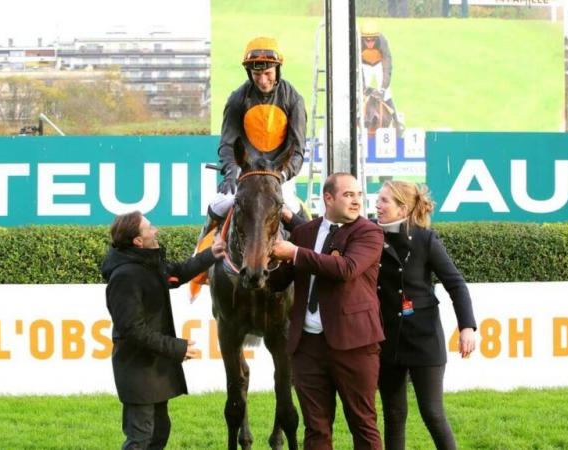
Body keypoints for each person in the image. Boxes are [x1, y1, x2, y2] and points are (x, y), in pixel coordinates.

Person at [270, 173, 385, 450]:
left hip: (355, 344)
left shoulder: (368, 232)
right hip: (307, 345)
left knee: (363, 424)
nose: (357, 200)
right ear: (328, 198)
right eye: (349, 195)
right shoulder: (304, 233)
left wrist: (295, 253)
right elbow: (276, 281)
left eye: (359, 194)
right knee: (316, 429)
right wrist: (256, 259)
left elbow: (346, 269)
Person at [101, 211, 225, 450]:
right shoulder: (125, 276)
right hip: (138, 371)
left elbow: (177, 273)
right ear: (138, 240)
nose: (155, 230)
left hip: (153, 369)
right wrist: (176, 348)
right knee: (141, 439)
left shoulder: (145, 263)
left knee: (159, 433)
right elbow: (132, 330)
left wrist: (211, 254)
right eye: (150, 228)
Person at [374, 181, 476, 450]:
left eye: (384, 200)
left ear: (402, 207)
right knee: (394, 416)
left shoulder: (425, 239)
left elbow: (456, 283)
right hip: (387, 339)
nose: (377, 205)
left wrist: (467, 327)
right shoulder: (370, 235)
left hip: (424, 338)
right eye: (378, 199)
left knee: (432, 412)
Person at [195, 36, 306, 250]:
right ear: (249, 73)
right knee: (219, 205)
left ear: (277, 70)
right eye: (257, 74)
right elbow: (227, 145)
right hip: (246, 173)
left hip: (280, 173)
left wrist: (281, 175)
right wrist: (232, 172)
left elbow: (297, 150)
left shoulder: (294, 100)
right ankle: (198, 261)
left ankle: (312, 268)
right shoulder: (237, 99)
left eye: (267, 73)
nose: (263, 80)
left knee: (294, 211)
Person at [360, 20, 403, 134]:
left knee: (387, 93)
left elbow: (387, 66)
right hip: (364, 65)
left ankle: (396, 122)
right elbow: (356, 67)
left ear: (377, 38)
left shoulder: (383, 42)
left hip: (379, 65)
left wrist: (383, 88)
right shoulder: (357, 43)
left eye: (373, 40)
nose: (370, 43)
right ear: (362, 38)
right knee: (358, 91)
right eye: (367, 40)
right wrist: (364, 86)